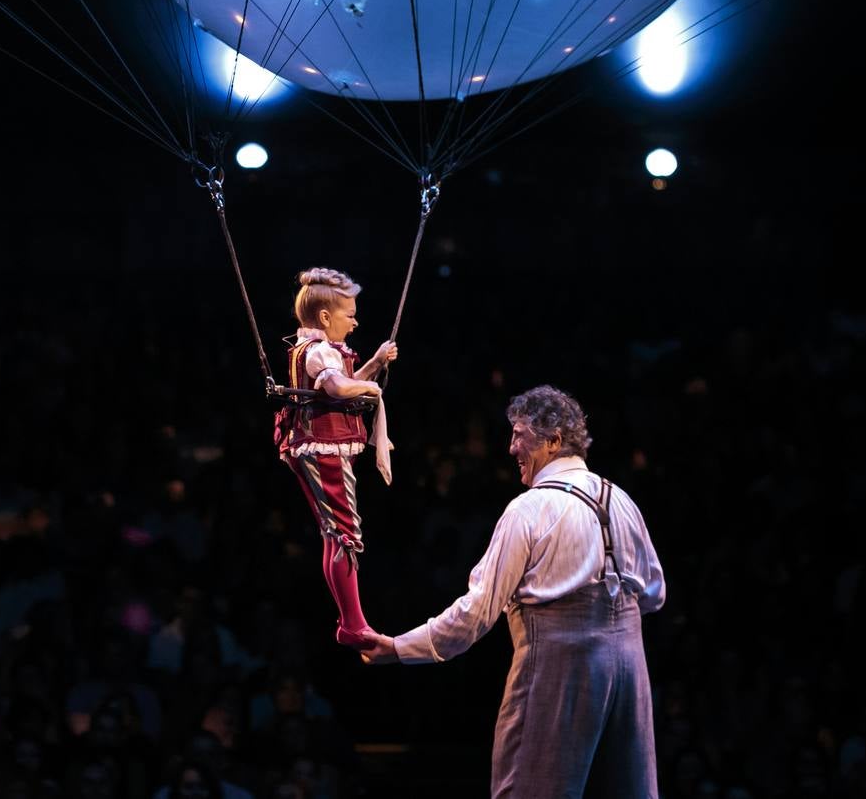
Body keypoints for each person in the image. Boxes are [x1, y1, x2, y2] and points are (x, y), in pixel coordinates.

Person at [361, 385, 666, 799]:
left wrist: (399, 647)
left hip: (559, 669)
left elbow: (475, 613)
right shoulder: (622, 501)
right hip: (630, 671)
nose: (510, 448)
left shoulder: (530, 509)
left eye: (519, 435)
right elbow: (654, 593)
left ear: (554, 440)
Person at [274, 268, 397, 650]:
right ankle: (353, 623)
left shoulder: (320, 350)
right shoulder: (318, 350)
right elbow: (338, 387)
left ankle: (352, 621)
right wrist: (370, 386)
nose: (356, 320)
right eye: (350, 314)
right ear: (325, 318)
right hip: (321, 447)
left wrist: (374, 364)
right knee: (345, 534)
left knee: (335, 533)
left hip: (323, 446)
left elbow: (342, 384)